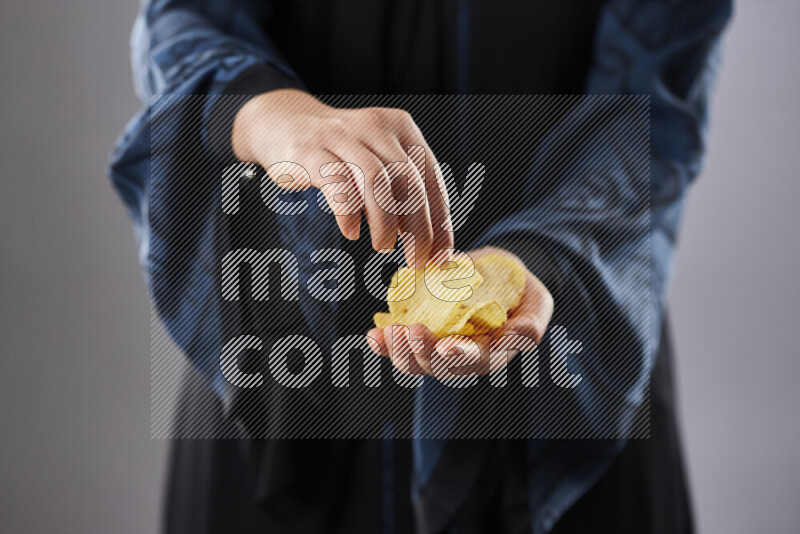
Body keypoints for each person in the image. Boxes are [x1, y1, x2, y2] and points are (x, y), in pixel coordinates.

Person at [110, 1, 732, 533]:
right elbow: (188, 16)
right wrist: (267, 113)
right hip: (274, 372)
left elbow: (650, 112)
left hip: (564, 368)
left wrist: (535, 262)